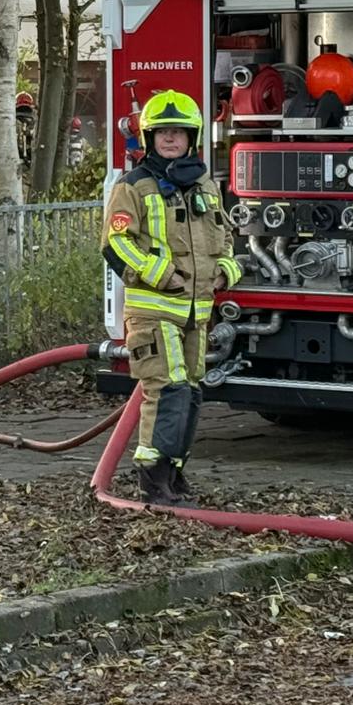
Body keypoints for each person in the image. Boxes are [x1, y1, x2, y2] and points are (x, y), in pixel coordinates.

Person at [100, 91, 242, 507]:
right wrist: (160, 274)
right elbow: (115, 244)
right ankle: (153, 480)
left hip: (197, 313)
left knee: (191, 392)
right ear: (149, 137)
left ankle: (174, 475)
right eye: (162, 132)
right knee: (167, 389)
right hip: (154, 310)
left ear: (191, 137)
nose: (170, 139)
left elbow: (225, 236)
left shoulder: (205, 185)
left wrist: (226, 270)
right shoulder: (133, 186)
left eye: (178, 132)